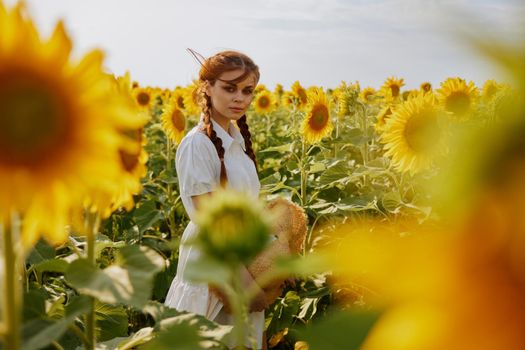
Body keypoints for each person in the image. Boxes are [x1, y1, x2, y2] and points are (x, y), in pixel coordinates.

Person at [164, 49, 268, 349]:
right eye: (230, 88)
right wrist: (244, 282)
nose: (241, 98)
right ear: (207, 88)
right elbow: (210, 223)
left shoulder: (237, 143)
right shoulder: (198, 144)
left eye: (248, 91)